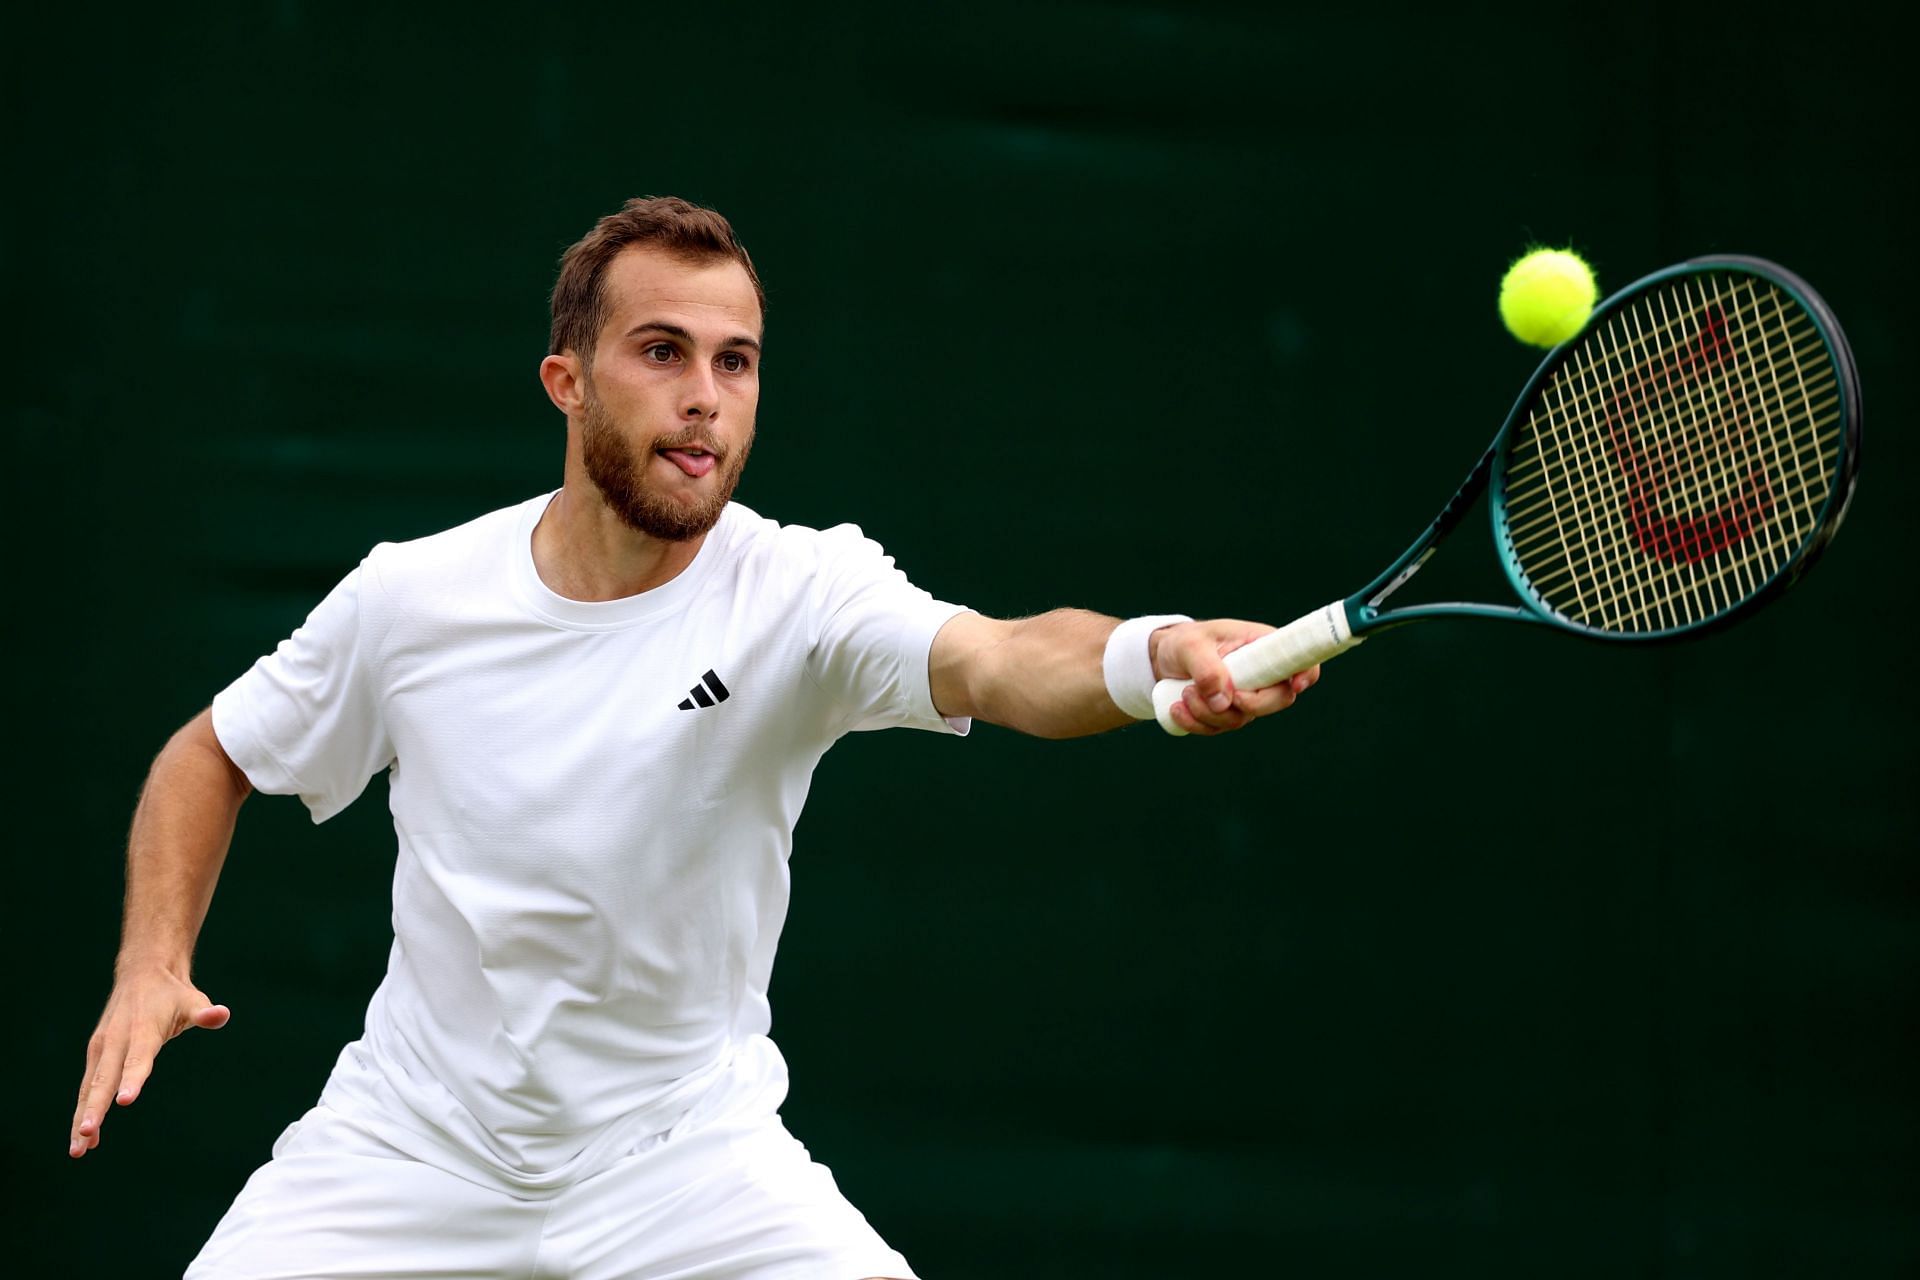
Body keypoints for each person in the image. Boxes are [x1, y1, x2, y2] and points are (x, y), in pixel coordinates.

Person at [69, 196, 1319, 1279]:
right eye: (663, 352)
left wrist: (1152, 648)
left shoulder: (801, 590)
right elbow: (213, 750)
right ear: (567, 380)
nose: (705, 400)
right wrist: (149, 960)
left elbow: (995, 657)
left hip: (684, 1159)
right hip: (409, 1145)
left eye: (738, 362)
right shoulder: (413, 597)